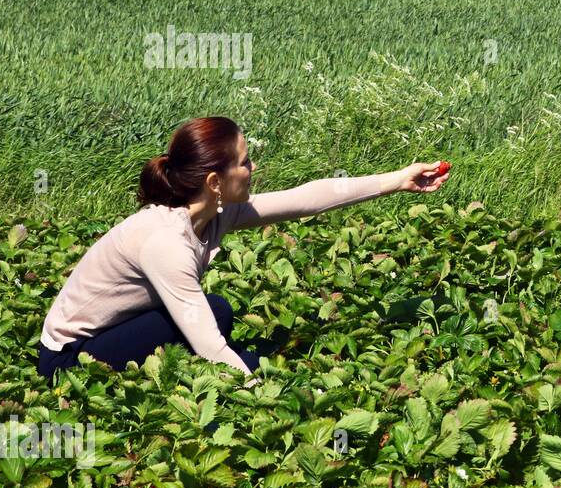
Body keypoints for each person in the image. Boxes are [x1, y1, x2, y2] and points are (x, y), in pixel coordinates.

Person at [37, 116, 450, 381]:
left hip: (113, 331)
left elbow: (307, 198)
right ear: (215, 182)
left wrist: (398, 179)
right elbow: (210, 346)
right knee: (228, 346)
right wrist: (261, 388)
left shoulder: (215, 211)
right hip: (69, 361)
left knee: (217, 310)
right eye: (245, 162)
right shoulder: (165, 242)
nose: (254, 169)